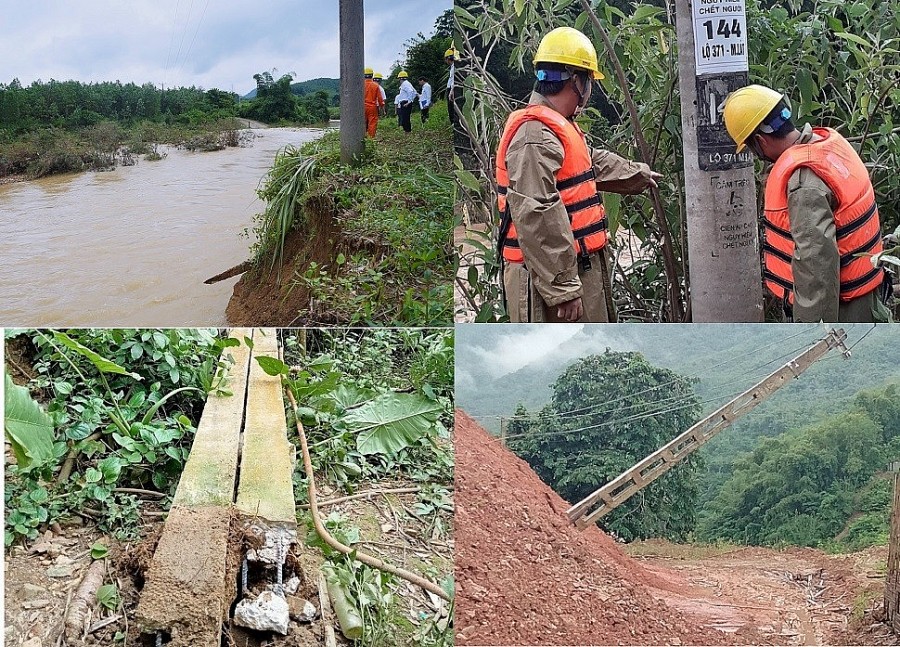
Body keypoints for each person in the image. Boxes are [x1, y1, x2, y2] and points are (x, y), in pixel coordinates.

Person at [495, 27, 661, 323]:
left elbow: (590, 166)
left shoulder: (555, 129)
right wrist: (563, 288)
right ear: (576, 81)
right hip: (549, 279)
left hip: (570, 269)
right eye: (589, 82)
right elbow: (537, 211)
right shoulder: (534, 137)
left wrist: (638, 174)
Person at [723, 84, 890, 323]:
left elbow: (816, 268)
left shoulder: (803, 183)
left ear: (760, 141)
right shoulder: (826, 146)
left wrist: (811, 334)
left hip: (844, 312)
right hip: (868, 299)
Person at [363, 67, 384, 137]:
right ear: (372, 75)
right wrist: (382, 108)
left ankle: (362, 137)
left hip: (362, 107)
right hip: (372, 107)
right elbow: (380, 99)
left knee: (362, 123)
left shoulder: (360, 85)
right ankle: (370, 139)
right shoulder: (376, 85)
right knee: (372, 123)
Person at [445, 48, 457, 125]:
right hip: (450, 89)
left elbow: (454, 80)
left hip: (452, 89)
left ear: (448, 59)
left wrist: (451, 91)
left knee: (451, 108)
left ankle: (454, 123)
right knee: (451, 108)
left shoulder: (454, 67)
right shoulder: (452, 67)